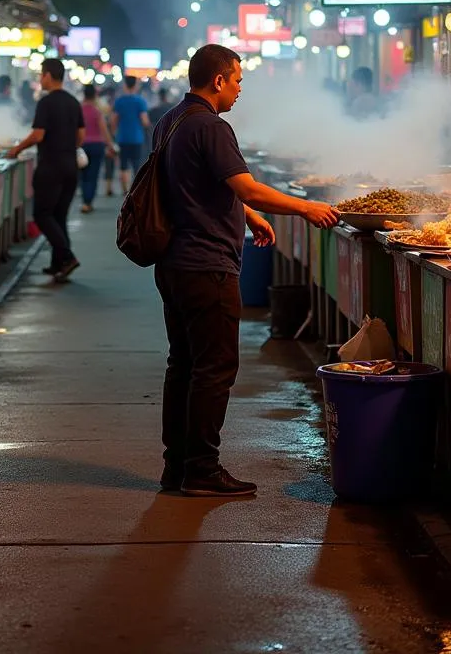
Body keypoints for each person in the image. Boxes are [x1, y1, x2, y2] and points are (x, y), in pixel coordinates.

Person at [152, 44, 339, 497]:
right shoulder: (212, 127)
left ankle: (176, 466)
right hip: (207, 266)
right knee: (214, 370)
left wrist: (249, 217)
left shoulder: (170, 121)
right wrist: (305, 208)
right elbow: (247, 188)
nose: (239, 90)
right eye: (237, 81)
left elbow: (198, 186)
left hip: (173, 265)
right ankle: (202, 469)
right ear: (218, 80)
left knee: (183, 366)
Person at [7, 58, 84, 281]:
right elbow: (81, 136)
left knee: (42, 214)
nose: (40, 79)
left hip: (50, 167)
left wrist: (17, 149)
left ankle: (67, 257)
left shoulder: (46, 102)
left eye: (41, 75)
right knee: (59, 215)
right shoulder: (73, 102)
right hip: (70, 167)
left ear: (49, 75)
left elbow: (38, 135)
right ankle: (58, 263)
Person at [79, 83, 115, 213]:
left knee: (83, 175)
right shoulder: (97, 111)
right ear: (95, 95)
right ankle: (88, 202)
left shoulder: (79, 110)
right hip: (96, 146)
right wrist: (111, 146)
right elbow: (104, 131)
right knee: (93, 175)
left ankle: (84, 201)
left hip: (82, 146)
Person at [111, 76, 150, 192]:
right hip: (137, 138)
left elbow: (114, 120)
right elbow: (145, 121)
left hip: (122, 138)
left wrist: (114, 134)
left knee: (123, 165)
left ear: (125, 85)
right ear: (136, 85)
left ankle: (125, 190)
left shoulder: (119, 101)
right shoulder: (140, 101)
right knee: (136, 164)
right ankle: (136, 189)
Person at [147, 86, 175, 152]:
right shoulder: (173, 107)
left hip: (158, 139)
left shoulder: (154, 110)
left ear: (159, 97)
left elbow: (149, 125)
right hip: (171, 138)